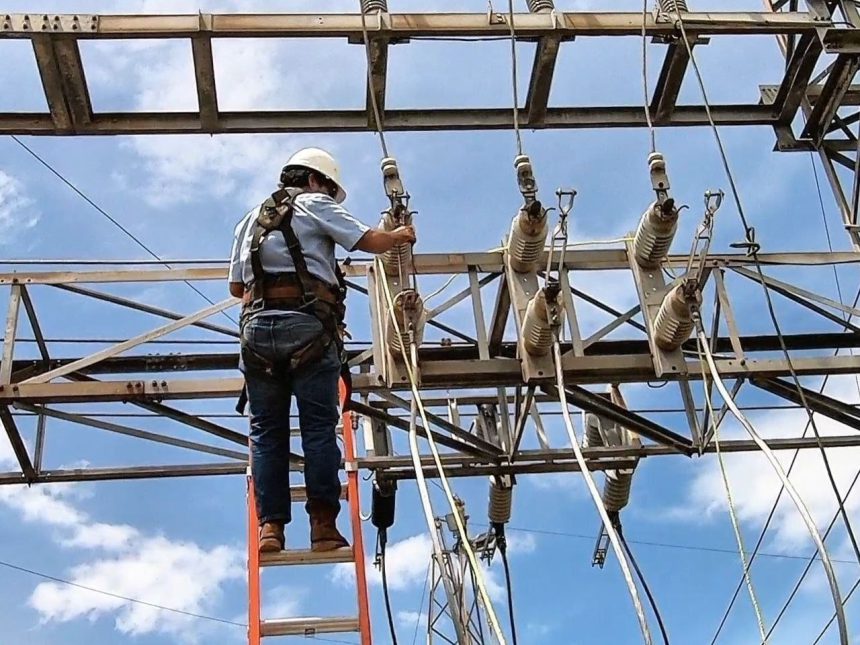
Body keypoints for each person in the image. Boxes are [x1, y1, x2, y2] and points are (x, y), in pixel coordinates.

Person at [228, 148, 416, 553]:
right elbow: (368, 240)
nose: (330, 195)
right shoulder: (315, 204)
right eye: (330, 188)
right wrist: (399, 236)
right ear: (315, 180)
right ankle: (324, 528)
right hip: (308, 329)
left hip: (257, 334)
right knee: (317, 428)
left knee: (267, 434)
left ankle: (270, 529)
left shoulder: (249, 219)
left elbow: (235, 287)